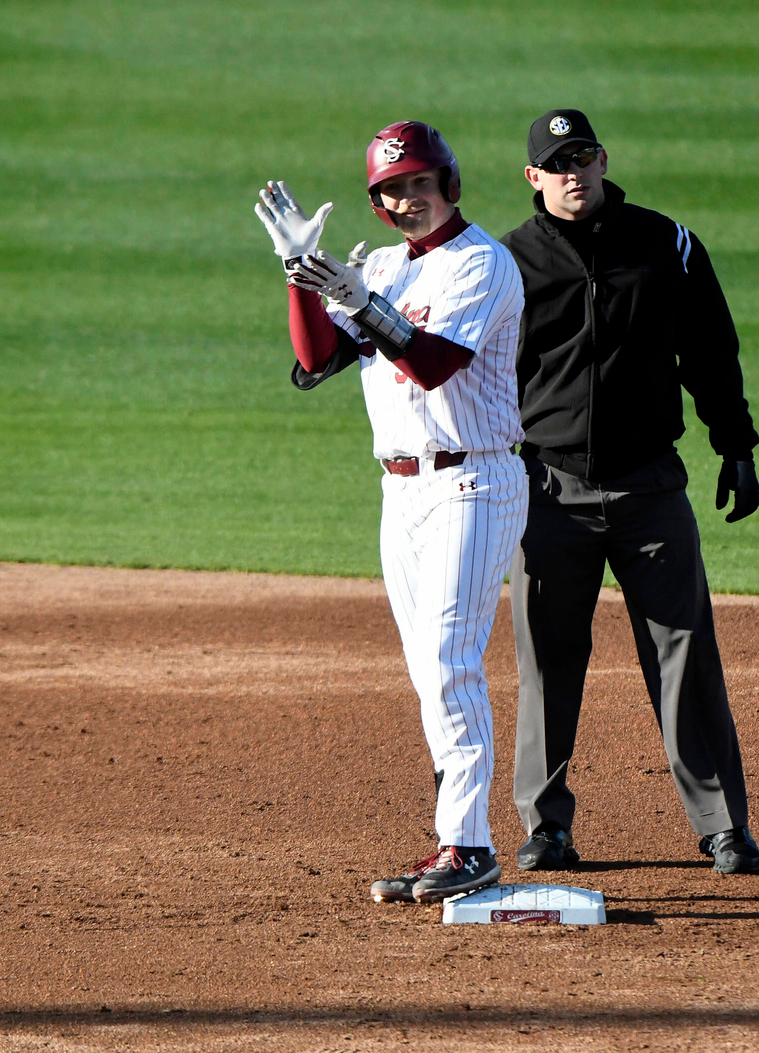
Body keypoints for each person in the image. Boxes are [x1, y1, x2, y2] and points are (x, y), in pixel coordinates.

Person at [254, 121, 527, 904]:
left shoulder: (484, 263)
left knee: (448, 662)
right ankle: (455, 836)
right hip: (401, 491)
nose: (407, 200)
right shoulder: (378, 265)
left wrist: (366, 303)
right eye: (391, 190)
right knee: (428, 671)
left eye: (417, 183)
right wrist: (299, 274)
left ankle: (468, 845)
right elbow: (315, 361)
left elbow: (435, 364)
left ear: (448, 182)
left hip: (473, 481)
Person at [499, 109, 759, 875]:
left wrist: (735, 444)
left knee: (684, 652)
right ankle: (547, 826)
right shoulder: (506, 262)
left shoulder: (665, 243)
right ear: (534, 177)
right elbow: (481, 375)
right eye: (558, 162)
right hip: (546, 486)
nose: (574, 172)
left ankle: (722, 825)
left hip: (651, 483)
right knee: (547, 661)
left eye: (584, 157)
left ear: (605, 159)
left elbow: (711, 350)